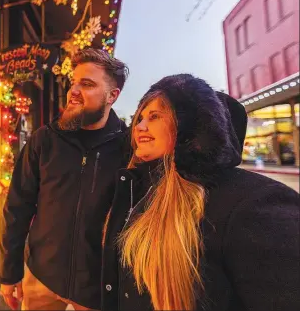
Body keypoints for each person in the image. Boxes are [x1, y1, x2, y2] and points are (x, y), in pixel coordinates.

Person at [101, 74, 299, 311]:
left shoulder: (254, 203)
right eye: (140, 118)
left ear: (190, 127)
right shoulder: (140, 189)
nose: (139, 126)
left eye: (154, 117)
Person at [0, 48, 130, 310]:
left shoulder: (127, 149)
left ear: (112, 96)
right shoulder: (44, 141)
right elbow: (18, 207)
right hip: (41, 278)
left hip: (98, 288)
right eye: (74, 82)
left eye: (87, 84)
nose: (74, 91)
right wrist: (10, 271)